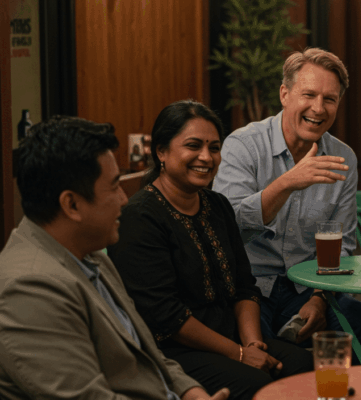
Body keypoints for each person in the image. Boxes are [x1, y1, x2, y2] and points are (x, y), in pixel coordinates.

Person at [0, 115, 228, 400]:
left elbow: (147, 354)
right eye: (113, 186)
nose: (123, 199)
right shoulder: (29, 288)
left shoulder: (91, 255)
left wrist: (191, 391)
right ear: (72, 204)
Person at [108, 101, 313, 400]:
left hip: (233, 337)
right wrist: (240, 354)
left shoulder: (217, 205)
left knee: (306, 365)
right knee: (259, 384)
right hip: (173, 351)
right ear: (161, 152)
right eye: (193, 146)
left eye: (214, 147)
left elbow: (245, 287)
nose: (206, 157)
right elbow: (166, 317)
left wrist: (253, 345)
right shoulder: (140, 217)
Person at [212, 48, 361, 362]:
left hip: (308, 288)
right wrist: (287, 182)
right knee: (272, 356)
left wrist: (320, 298)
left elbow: (344, 245)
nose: (318, 109)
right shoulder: (243, 145)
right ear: (285, 94)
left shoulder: (343, 158)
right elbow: (227, 227)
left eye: (329, 99)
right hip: (249, 290)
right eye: (309, 94)